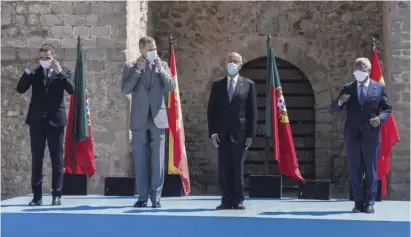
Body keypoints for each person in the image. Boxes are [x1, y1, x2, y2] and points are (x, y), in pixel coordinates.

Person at [17, 44, 74, 206]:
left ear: (53, 56)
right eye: (42, 58)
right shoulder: (34, 73)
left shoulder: (64, 72)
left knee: (57, 159)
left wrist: (60, 72)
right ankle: (37, 196)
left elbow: (71, 89)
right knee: (37, 159)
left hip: (55, 121)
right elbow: (20, 89)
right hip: (37, 122)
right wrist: (27, 71)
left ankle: (57, 195)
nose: (44, 61)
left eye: (47, 58)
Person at [332, 57, 392, 213]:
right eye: (357, 69)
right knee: (354, 170)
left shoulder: (379, 88)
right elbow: (335, 108)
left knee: (371, 170)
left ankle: (369, 203)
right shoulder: (347, 88)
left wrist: (379, 119)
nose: (359, 72)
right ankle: (358, 202)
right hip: (352, 135)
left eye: (362, 69)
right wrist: (339, 103)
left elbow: (387, 109)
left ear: (369, 71)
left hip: (371, 135)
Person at [121, 36, 175, 208]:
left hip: (158, 118)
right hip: (139, 119)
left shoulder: (163, 65)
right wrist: (138, 70)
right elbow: (125, 89)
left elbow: (171, 86)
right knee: (141, 159)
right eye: (150, 49)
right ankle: (142, 196)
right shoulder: (130, 66)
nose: (154, 52)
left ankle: (156, 197)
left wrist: (159, 67)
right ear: (142, 50)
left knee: (158, 160)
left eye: (155, 48)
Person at [207, 52, 257, 210]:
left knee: (237, 168)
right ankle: (225, 200)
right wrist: (213, 132)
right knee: (224, 169)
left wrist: (251, 134)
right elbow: (211, 110)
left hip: (240, 134)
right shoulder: (217, 84)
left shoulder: (248, 84)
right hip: (222, 134)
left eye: (235, 61)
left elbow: (252, 111)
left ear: (241, 65)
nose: (232, 63)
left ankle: (238, 199)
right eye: (230, 61)